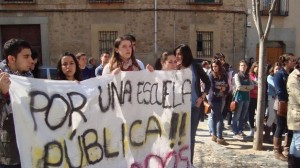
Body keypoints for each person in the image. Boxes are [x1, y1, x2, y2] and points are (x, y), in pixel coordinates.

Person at [174, 44, 211, 165]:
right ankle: (178, 161)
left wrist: (202, 97)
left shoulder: (195, 66)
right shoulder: (174, 67)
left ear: (186, 54)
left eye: (180, 54)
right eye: (177, 54)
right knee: (177, 136)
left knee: (190, 136)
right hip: (178, 108)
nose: (177, 56)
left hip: (194, 107)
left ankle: (189, 162)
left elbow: (208, 82)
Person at [0, 38, 34, 167]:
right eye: (26, 56)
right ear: (11, 59)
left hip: (27, 148)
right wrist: (4, 94)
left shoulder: (29, 77)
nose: (31, 60)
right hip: (7, 154)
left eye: (30, 56)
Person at [273, 53, 296, 161]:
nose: (294, 62)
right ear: (286, 62)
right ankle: (276, 151)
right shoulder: (279, 74)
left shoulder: (292, 73)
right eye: (292, 60)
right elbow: (279, 91)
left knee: (290, 127)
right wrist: (289, 97)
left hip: (291, 105)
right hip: (281, 104)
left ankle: (287, 149)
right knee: (280, 127)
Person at [207, 59, 229, 145]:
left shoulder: (223, 75)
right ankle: (220, 137)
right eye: (213, 66)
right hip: (213, 99)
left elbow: (227, 86)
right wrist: (221, 88)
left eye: (216, 66)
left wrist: (224, 89)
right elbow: (212, 88)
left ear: (219, 66)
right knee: (220, 118)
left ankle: (214, 135)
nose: (214, 68)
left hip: (221, 98)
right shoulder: (211, 75)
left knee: (214, 116)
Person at [232, 60, 254, 140]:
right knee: (237, 115)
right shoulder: (237, 75)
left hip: (247, 98)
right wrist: (248, 88)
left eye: (244, 65)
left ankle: (240, 130)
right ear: (239, 66)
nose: (243, 67)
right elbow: (238, 87)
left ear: (247, 67)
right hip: (239, 97)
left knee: (243, 116)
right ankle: (235, 131)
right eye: (241, 65)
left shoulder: (248, 76)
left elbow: (253, 86)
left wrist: (245, 88)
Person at [287, 59, 300, 167]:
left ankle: (292, 164)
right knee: (298, 141)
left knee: (296, 140)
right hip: (296, 113)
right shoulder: (293, 78)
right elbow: (298, 96)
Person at [265, 62, 282, 143]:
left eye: (279, 69)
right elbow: (275, 85)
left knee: (276, 119)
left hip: (278, 99)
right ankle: (266, 136)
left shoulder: (280, 76)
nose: (278, 70)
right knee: (271, 116)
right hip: (272, 98)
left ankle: (274, 136)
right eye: (276, 69)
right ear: (273, 69)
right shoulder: (270, 77)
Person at [248, 61, 259, 137]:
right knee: (251, 114)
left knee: (259, 114)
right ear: (253, 67)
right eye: (256, 67)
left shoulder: (261, 75)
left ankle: (258, 130)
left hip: (259, 98)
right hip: (251, 97)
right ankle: (251, 129)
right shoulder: (249, 76)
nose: (258, 69)